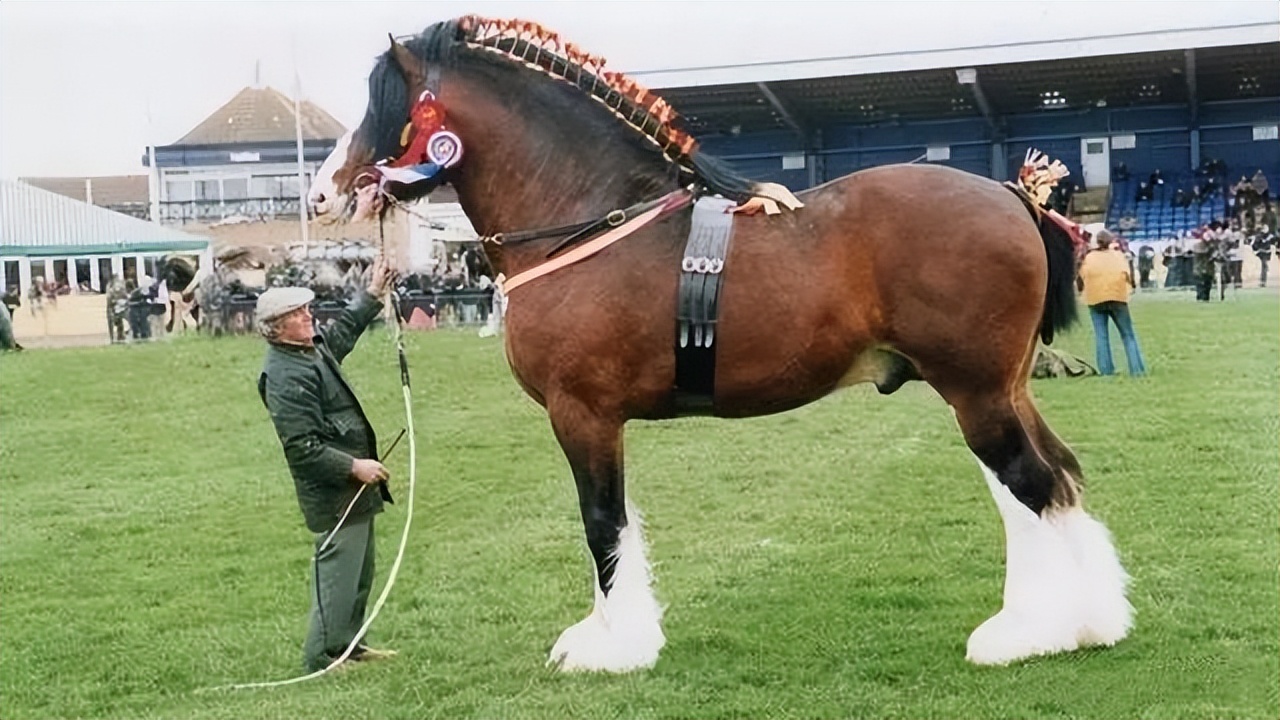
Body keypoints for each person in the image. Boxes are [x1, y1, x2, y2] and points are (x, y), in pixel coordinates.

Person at [256, 256, 399, 673]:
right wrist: (355, 467)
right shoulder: (284, 374)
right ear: (277, 328)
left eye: (305, 309)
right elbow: (301, 447)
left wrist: (372, 294)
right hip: (336, 491)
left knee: (359, 573)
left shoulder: (309, 350)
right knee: (338, 575)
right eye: (298, 314)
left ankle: (350, 646)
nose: (308, 315)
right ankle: (322, 657)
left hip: (355, 488)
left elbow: (343, 332)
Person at [1078, 230, 1146, 376]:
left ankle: (1106, 371)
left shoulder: (1089, 258)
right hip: (1118, 297)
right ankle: (1137, 370)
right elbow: (1128, 275)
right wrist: (1132, 286)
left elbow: (1082, 277)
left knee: (1101, 336)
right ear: (1111, 241)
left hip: (1095, 299)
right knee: (1128, 335)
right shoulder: (1118, 256)